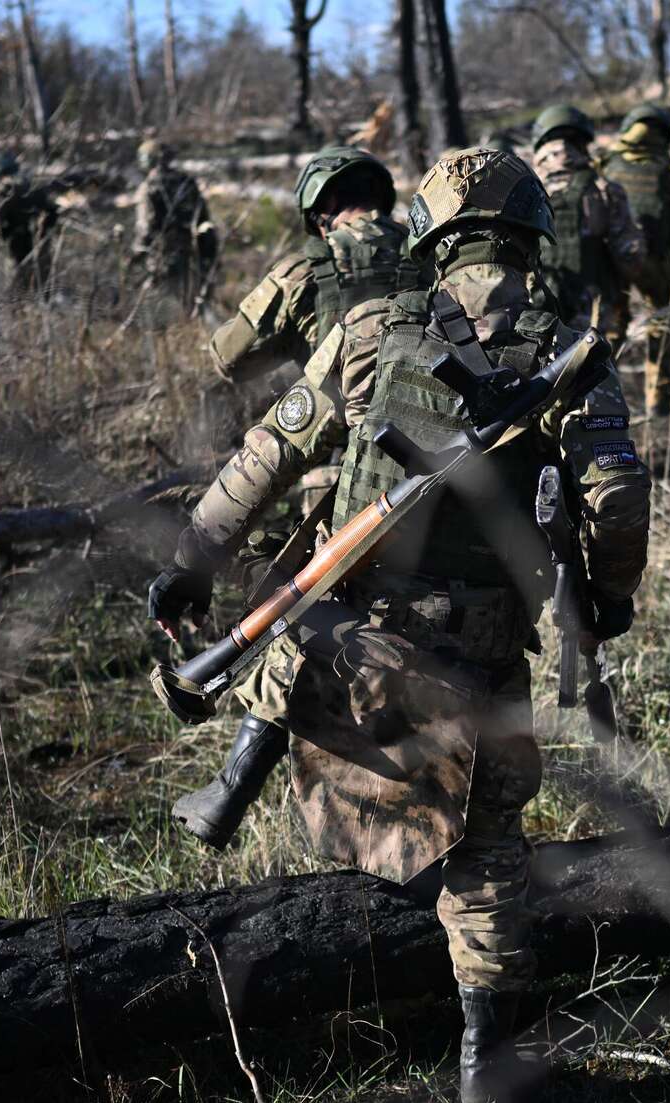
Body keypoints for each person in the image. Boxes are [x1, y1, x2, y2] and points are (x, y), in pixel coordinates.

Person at [149, 146, 651, 1103]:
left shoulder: (372, 325)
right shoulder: (568, 342)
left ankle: (246, 780)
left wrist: (194, 559)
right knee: (488, 846)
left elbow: (268, 451)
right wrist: (605, 595)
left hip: (354, 639)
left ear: (426, 227)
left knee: (303, 638)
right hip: (484, 644)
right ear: (526, 225)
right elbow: (617, 495)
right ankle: (483, 1078)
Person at [177, 145, 428, 849]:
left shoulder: (307, 270)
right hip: (442, 482)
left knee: (300, 628)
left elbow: (229, 355)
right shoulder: (432, 255)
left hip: (338, 483)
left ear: (320, 216)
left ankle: (233, 791)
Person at [206, 145, 426, 386]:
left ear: (324, 201)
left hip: (342, 420)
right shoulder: (432, 254)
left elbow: (229, 360)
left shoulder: (299, 273)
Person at [595, 103, 670, 416]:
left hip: (612, 262)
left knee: (609, 332)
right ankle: (658, 404)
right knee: (660, 327)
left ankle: (602, 401)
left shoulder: (605, 163)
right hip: (656, 263)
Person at [530, 105, 644, 344]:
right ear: (583, 143)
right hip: (592, 317)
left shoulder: (520, 190)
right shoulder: (604, 190)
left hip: (531, 315)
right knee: (596, 379)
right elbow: (631, 257)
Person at [131, 139, 217, 311]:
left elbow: (146, 226)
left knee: (161, 306)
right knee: (192, 301)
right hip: (192, 251)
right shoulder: (186, 182)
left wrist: (136, 252)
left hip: (162, 253)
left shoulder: (149, 187)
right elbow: (203, 216)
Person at [0, 150, 60, 293]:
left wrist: (1, 233)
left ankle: (21, 308)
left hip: (20, 243)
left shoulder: (6, 190)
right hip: (37, 241)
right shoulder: (30, 184)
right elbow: (52, 210)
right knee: (39, 284)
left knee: (18, 285)